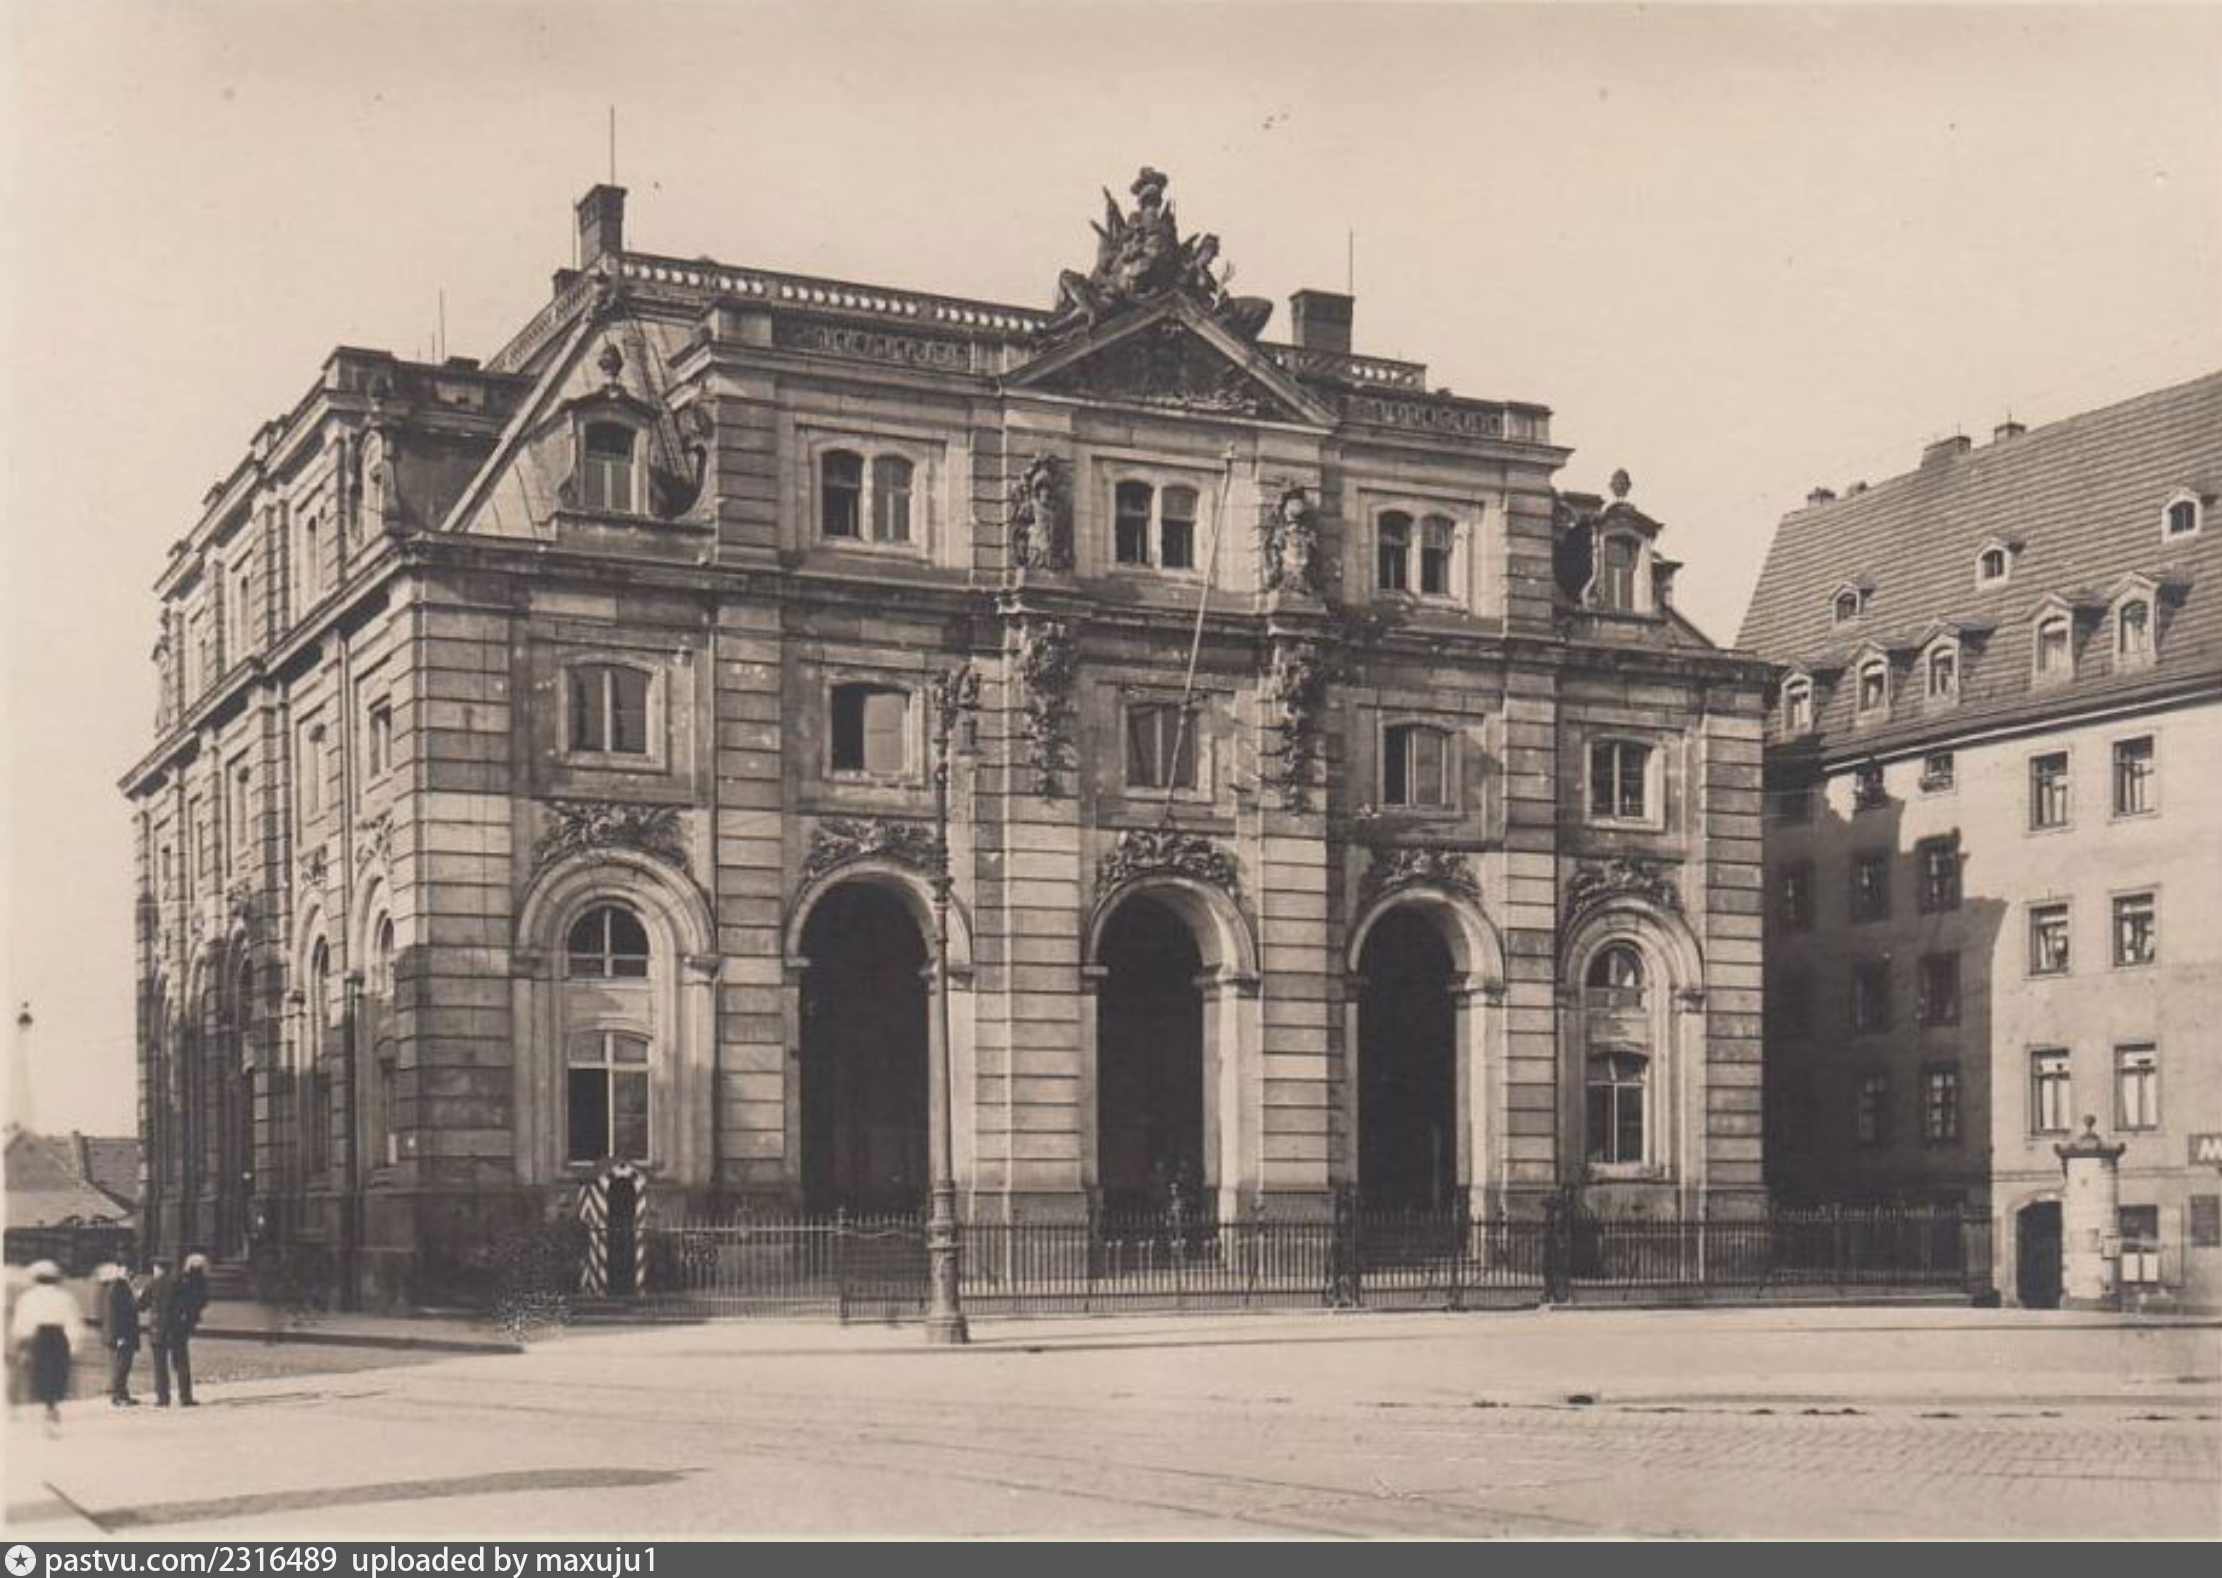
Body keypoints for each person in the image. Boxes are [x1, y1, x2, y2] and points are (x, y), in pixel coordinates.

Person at [10, 1260, 85, 1435]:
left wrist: (22, 1346)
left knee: (41, 1373)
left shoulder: (28, 1297)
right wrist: (74, 1346)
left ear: (36, 1278)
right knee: (57, 1373)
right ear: (55, 1278)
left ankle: (45, 1407)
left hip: (38, 1338)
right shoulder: (65, 1297)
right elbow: (73, 1323)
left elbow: (21, 1324)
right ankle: (51, 1407)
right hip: (58, 1338)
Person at [101, 1261, 141, 1406]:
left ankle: (123, 1394)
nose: (132, 1274)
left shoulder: (123, 1286)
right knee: (122, 1365)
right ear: (121, 1271)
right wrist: (119, 1336)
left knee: (125, 1365)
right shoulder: (118, 1287)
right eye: (128, 1271)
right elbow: (115, 1314)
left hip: (125, 1333)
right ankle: (118, 1396)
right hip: (122, 1334)